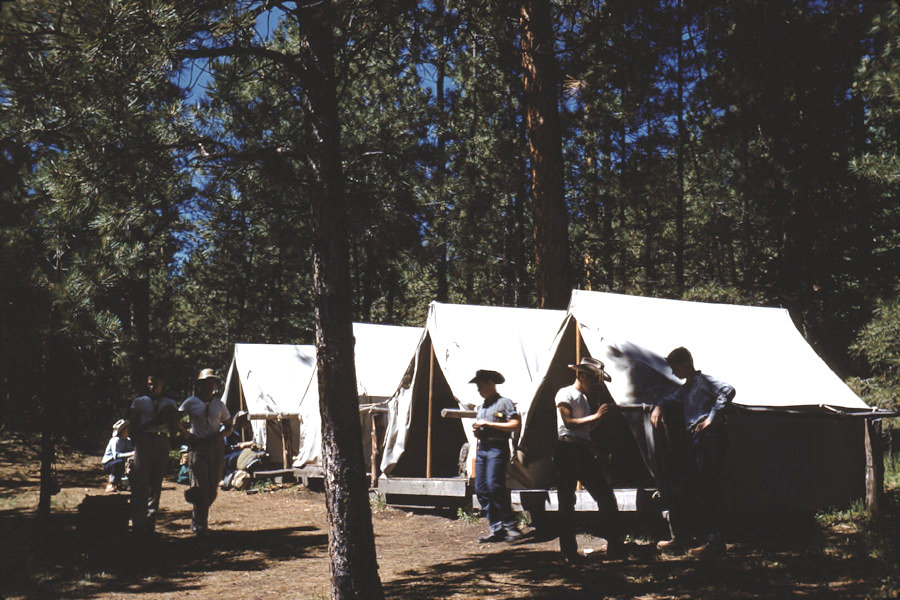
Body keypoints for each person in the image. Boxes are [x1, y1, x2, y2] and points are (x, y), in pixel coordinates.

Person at [651, 346, 736, 558]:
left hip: (708, 438)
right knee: (694, 488)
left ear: (686, 364)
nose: (673, 372)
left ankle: (715, 542)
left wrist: (711, 418)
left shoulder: (703, 381)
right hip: (695, 440)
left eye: (676, 367)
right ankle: (687, 538)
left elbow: (728, 390)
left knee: (710, 488)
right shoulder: (687, 387)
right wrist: (659, 407)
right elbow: (670, 399)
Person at [554, 357, 624, 565]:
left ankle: (615, 546)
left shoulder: (583, 398)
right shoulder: (565, 393)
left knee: (605, 495)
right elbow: (568, 422)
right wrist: (596, 416)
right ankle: (569, 552)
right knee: (567, 502)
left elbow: (585, 428)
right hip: (568, 449)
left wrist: (599, 419)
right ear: (582, 376)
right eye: (592, 380)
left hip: (583, 449)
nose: (594, 385)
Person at [130, 370, 187, 534]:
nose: (152, 387)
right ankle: (138, 523)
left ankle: (150, 522)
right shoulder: (139, 402)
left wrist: (172, 425)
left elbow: (174, 427)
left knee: (156, 483)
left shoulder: (170, 403)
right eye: (149, 384)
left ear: (163, 384)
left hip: (162, 441)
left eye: (156, 384)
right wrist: (147, 428)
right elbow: (133, 425)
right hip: (144, 440)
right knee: (141, 482)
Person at [469, 369, 523, 543]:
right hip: (483, 449)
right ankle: (496, 528)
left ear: (491, 384)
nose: (478, 390)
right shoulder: (482, 407)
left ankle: (511, 525)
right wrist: (478, 431)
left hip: (497, 449)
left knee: (494, 486)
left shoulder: (504, 403)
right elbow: (482, 429)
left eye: (481, 386)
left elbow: (515, 425)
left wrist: (488, 424)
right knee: (481, 489)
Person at [181, 368, 232, 535]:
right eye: (206, 383)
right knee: (201, 488)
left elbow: (229, 425)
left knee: (212, 490)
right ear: (200, 385)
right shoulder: (191, 402)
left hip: (215, 447)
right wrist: (186, 433)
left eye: (212, 383)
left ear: (215, 385)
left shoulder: (219, 405)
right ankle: (199, 525)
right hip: (198, 447)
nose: (209, 386)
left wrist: (221, 435)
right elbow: (175, 419)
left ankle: (197, 517)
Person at [102, 419, 134, 492]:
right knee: (118, 462)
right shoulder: (115, 440)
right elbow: (116, 456)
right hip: (109, 463)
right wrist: (131, 453)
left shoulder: (128, 440)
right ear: (123, 431)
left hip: (122, 461)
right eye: (127, 430)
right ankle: (111, 483)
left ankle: (128, 483)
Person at [223, 410, 256, 479]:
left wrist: (244, 444)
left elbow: (256, 441)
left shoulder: (254, 428)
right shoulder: (246, 430)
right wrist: (241, 444)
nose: (243, 426)